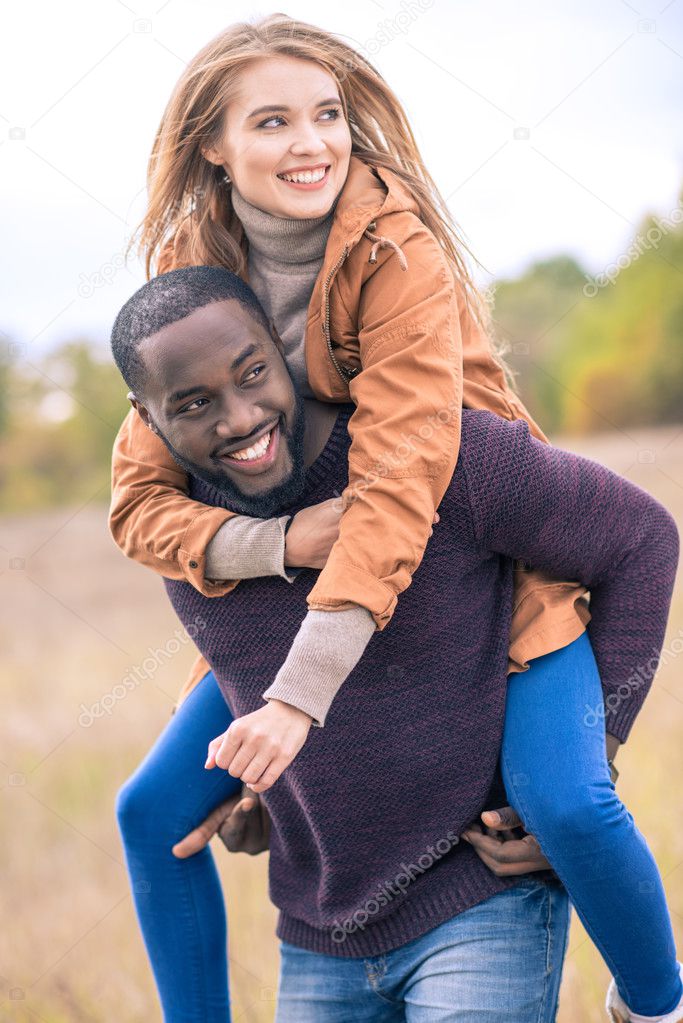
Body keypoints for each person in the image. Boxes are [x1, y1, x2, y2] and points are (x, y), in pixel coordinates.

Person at [112, 267, 682, 1023]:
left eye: (253, 373)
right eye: (192, 404)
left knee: (573, 806)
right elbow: (254, 679)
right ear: (144, 420)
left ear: (284, 348)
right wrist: (257, 788)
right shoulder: (192, 542)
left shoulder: (446, 460)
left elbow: (643, 540)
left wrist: (592, 754)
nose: (239, 418)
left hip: (480, 901)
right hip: (322, 933)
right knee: (145, 809)